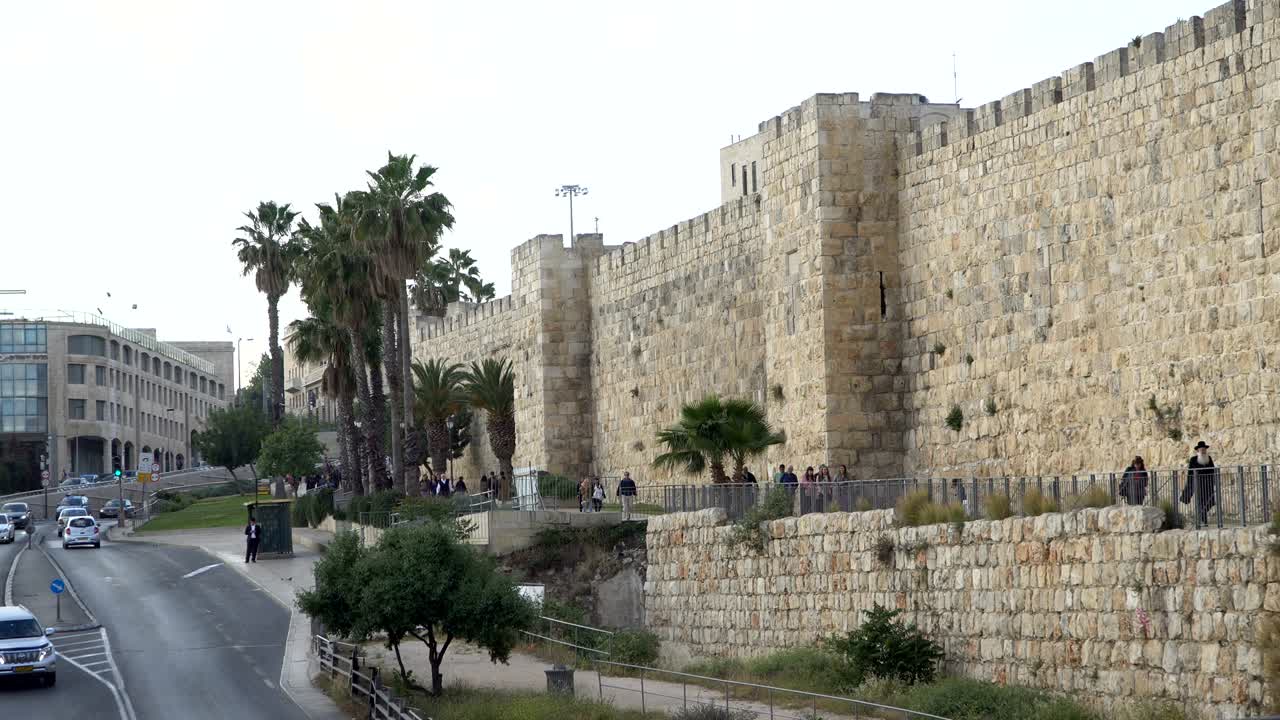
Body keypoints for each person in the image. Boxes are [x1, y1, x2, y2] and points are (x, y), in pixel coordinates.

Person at [1181, 441, 1217, 524]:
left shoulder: (1209, 458)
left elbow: (1212, 470)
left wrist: (1213, 480)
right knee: (1201, 502)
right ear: (1198, 450)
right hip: (1199, 485)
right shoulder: (1193, 460)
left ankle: (1202, 515)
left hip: (1208, 484)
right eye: (1202, 449)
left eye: (1204, 449)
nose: (1203, 451)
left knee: (1211, 501)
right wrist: (1190, 484)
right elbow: (1190, 473)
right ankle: (1203, 520)